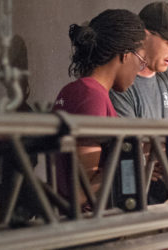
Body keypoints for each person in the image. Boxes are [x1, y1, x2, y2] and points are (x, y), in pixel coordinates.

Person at [52, 9, 146, 206]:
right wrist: (137, 161)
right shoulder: (92, 96)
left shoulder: (75, 90)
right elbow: (82, 192)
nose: (139, 70)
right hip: (88, 227)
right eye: (141, 60)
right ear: (126, 55)